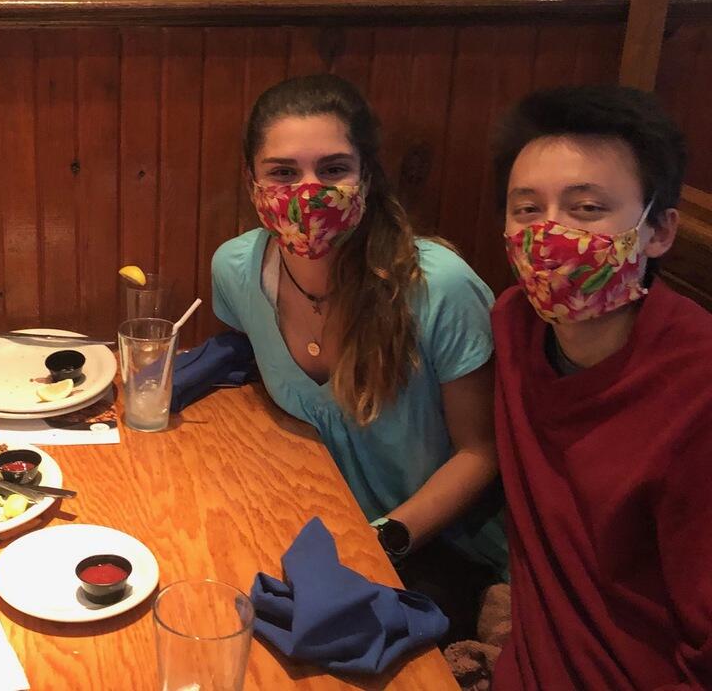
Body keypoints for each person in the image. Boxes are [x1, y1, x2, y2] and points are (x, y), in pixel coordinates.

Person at [211, 74, 506, 640]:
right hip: (321, 524)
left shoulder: (440, 287)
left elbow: (482, 451)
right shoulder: (235, 268)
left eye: (333, 169)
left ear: (366, 178)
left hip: (442, 551)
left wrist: (379, 542)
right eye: (283, 172)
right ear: (252, 184)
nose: (308, 190)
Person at [491, 85, 711, 688]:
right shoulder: (514, 328)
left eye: (586, 209)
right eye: (527, 210)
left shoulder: (697, 392)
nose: (549, 235)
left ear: (659, 231)